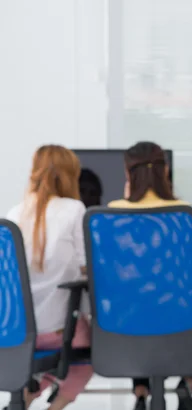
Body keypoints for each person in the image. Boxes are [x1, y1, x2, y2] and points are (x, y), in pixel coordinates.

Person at [107, 141, 192, 410]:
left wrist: (127, 196)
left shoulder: (113, 212)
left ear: (127, 173)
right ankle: (187, 383)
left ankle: (140, 392)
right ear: (165, 171)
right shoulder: (184, 211)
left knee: (137, 308)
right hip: (179, 324)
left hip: (124, 327)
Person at [6, 145, 93, 410]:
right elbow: (86, 266)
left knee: (45, 363)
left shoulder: (14, 213)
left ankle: (25, 399)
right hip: (58, 331)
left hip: (16, 331)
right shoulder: (74, 209)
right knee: (90, 357)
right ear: (70, 176)